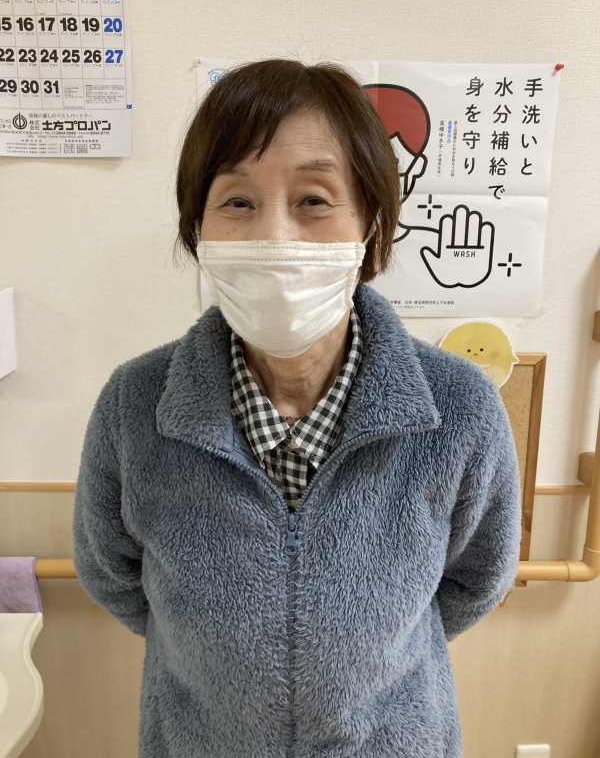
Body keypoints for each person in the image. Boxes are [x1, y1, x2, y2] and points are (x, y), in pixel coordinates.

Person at [73, 59, 521, 758]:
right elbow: (113, 577)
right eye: (237, 202)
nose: (274, 237)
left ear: (372, 227)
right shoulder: (134, 405)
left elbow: (473, 582)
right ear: (197, 231)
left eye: (314, 199)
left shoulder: (460, 408)